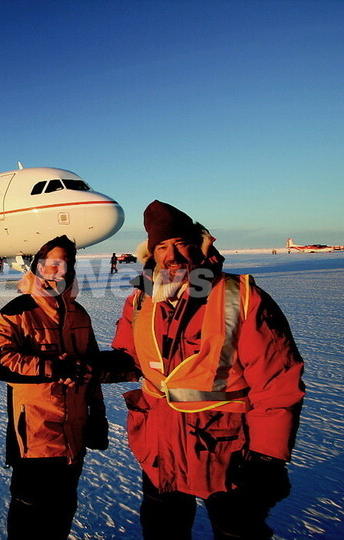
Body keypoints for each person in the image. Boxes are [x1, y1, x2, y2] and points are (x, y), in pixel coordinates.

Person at [110, 200, 305, 540]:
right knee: (162, 531)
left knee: (236, 532)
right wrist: (87, 367)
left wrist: (267, 458)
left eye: (181, 243)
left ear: (199, 245)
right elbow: (129, 356)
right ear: (152, 254)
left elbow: (276, 382)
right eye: (162, 247)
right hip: (161, 444)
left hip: (225, 450)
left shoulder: (239, 297)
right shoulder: (140, 300)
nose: (173, 256)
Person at [0, 235, 110, 539]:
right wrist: (53, 368)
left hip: (75, 434)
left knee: (63, 509)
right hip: (36, 435)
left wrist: (97, 415)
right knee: (29, 512)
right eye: (53, 263)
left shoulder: (80, 314)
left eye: (67, 264)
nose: (61, 271)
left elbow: (91, 368)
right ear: (38, 267)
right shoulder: (16, 312)